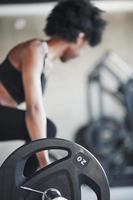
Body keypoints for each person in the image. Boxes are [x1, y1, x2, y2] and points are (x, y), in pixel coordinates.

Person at [0, 0, 106, 174]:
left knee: (44, 129)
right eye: (86, 47)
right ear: (80, 38)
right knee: (48, 128)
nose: (83, 53)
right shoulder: (34, 50)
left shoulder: (46, 62)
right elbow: (33, 109)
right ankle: (25, 186)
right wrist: (44, 163)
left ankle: (22, 186)